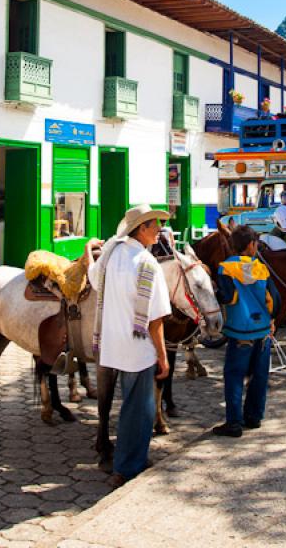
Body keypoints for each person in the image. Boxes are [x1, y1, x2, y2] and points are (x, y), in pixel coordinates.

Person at [87, 204, 172, 488]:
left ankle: (131, 458)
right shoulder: (148, 265)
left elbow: (94, 280)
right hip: (138, 348)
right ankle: (126, 466)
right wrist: (162, 356)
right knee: (139, 410)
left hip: (112, 344)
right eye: (154, 225)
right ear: (141, 229)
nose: (159, 229)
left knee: (131, 407)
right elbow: (155, 319)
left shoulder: (111, 254)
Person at [212, 225, 281, 438]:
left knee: (234, 377)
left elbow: (228, 297)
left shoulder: (226, 268)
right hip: (262, 332)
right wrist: (271, 320)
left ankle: (234, 423)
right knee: (259, 376)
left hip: (239, 332)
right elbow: (274, 301)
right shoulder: (261, 268)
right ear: (251, 245)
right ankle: (254, 416)